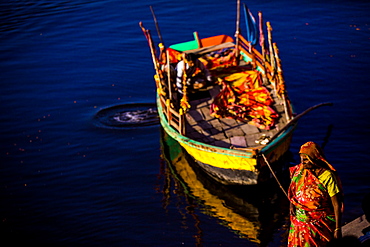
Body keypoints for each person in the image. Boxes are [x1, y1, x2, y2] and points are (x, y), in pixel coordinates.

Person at [288, 141, 344, 246]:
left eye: (305, 160)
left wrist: (337, 228)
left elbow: (337, 204)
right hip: (299, 223)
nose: (302, 162)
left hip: (319, 224)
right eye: (301, 159)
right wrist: (292, 204)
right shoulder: (300, 171)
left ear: (314, 159)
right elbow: (294, 188)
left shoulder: (327, 176)